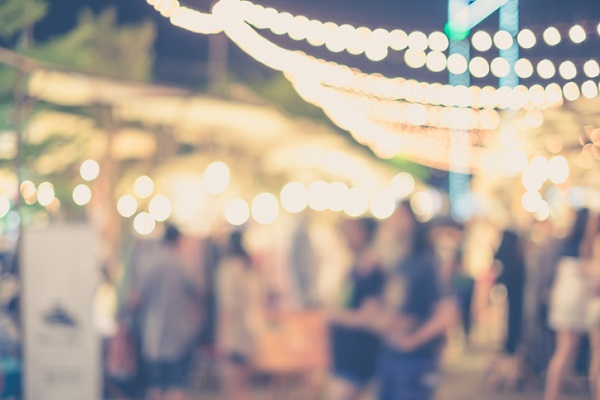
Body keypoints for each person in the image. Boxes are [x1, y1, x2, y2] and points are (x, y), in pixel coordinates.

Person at [376, 217, 459, 400]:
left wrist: (413, 340)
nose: (392, 224)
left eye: (398, 218)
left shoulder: (427, 264)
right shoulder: (402, 262)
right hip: (392, 356)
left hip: (414, 360)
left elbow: (448, 313)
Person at [133, 225, 202, 400]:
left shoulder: (151, 263)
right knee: (176, 384)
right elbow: (196, 293)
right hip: (178, 332)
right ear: (178, 240)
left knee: (155, 383)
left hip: (154, 331)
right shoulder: (183, 264)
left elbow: (138, 298)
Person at [328, 217, 386, 400]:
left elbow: (369, 316)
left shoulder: (371, 268)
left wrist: (335, 316)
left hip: (357, 354)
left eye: (351, 231)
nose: (346, 236)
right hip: (348, 353)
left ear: (363, 234)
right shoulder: (357, 265)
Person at [544, 208, 595, 400]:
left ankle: (555, 393)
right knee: (565, 350)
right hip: (570, 304)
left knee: (565, 349)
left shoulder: (569, 243)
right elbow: (586, 271)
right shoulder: (579, 245)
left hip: (565, 303)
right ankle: (552, 394)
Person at [216, 230, 263, 400]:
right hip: (252, 330)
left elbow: (227, 305)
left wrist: (222, 337)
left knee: (232, 386)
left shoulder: (228, 267)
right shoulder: (248, 266)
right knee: (243, 386)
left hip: (235, 333)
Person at [495, 230, 526, 356]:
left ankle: (510, 343)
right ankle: (512, 343)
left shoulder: (505, 256)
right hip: (517, 293)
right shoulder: (517, 260)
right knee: (515, 317)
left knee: (511, 317)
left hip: (511, 290)